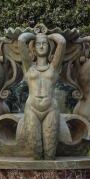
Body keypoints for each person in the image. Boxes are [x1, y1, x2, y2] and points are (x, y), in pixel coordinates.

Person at [18, 29, 66, 159]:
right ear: (33, 48)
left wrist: (47, 35)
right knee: (36, 152)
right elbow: (21, 40)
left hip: (50, 108)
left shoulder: (53, 68)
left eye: (44, 43)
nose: (41, 46)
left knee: (50, 153)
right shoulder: (29, 67)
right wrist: (35, 36)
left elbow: (61, 42)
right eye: (38, 43)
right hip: (32, 108)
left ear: (49, 47)